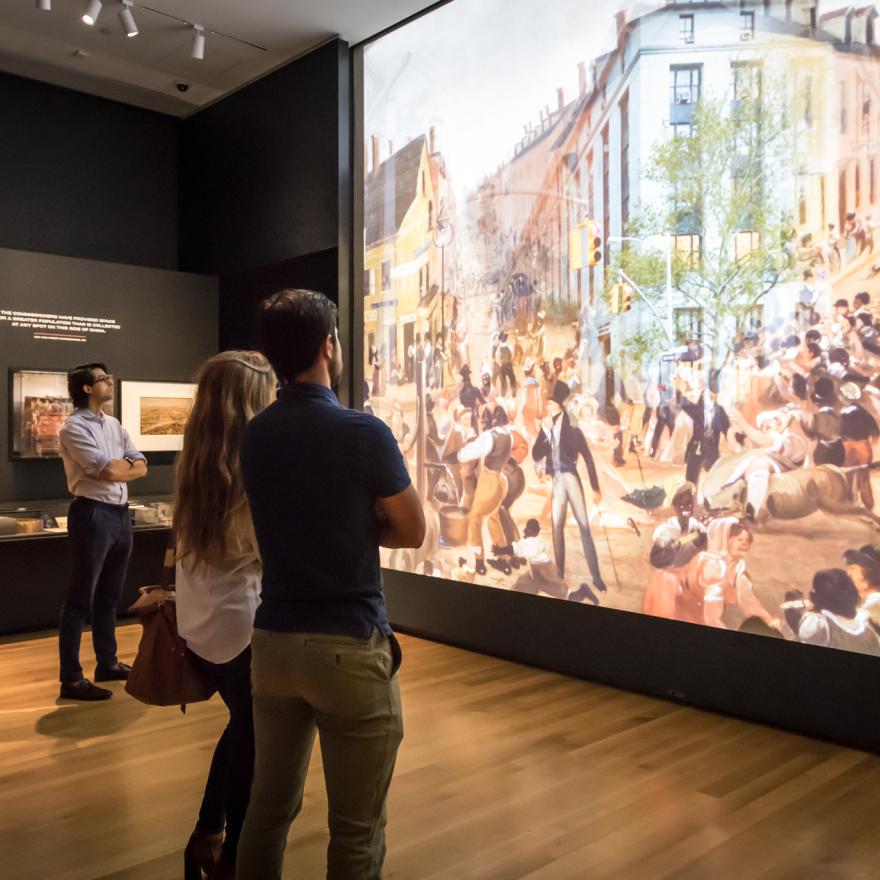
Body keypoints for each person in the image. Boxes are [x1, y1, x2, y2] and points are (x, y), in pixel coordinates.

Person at [236, 290, 426, 880]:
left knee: (267, 809)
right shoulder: (364, 433)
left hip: (271, 644)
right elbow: (412, 530)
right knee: (355, 828)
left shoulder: (255, 435)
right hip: (347, 644)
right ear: (329, 346)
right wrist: (360, 522)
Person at [174, 351, 276, 880]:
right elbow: (265, 550)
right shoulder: (250, 466)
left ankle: (207, 834)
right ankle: (231, 852)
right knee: (254, 741)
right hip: (240, 626)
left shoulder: (198, 457)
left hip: (201, 622)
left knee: (243, 727)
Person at [57, 363, 147, 700]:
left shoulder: (114, 425)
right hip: (92, 515)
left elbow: (141, 463)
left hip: (121, 516)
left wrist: (124, 468)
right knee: (79, 600)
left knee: (109, 597)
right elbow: (108, 469)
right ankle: (71, 678)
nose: (109, 382)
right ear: (86, 389)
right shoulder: (72, 428)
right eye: (102, 379)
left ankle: (106, 663)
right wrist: (123, 468)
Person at [531, 380, 607, 599]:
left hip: (571, 479)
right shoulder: (547, 429)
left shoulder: (573, 431)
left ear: (560, 407)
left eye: (553, 405)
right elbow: (536, 454)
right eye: (549, 405)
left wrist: (595, 487)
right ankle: (559, 572)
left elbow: (589, 460)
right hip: (557, 482)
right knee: (556, 527)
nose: (549, 409)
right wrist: (544, 433)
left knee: (584, 526)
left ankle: (596, 576)